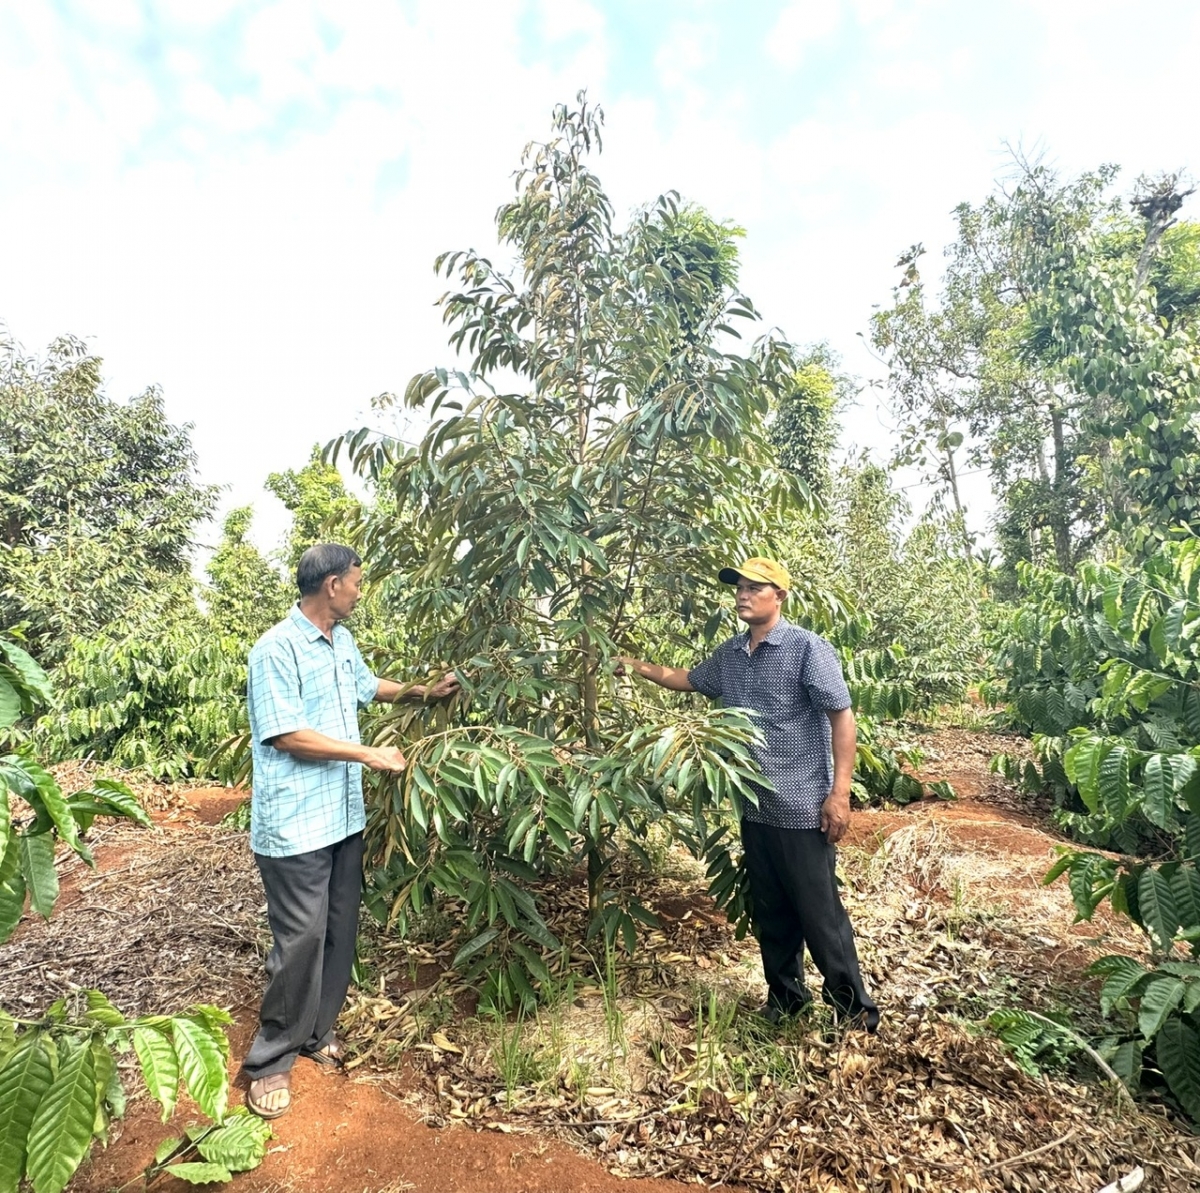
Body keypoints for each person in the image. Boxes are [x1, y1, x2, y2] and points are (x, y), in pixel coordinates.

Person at [242, 543, 460, 1118]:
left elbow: (369, 686)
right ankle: (270, 1060)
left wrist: (420, 691)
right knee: (301, 938)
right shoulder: (276, 648)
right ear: (333, 584)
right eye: (357, 583)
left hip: (342, 816)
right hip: (295, 825)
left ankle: (317, 1032)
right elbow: (286, 734)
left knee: (339, 928)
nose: (361, 592)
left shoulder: (341, 642)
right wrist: (367, 754)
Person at [618, 556, 879, 1031]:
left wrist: (839, 794)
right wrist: (636, 666)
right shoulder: (731, 654)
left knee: (820, 916)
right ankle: (786, 1000)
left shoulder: (806, 649)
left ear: (779, 596)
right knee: (772, 912)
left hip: (802, 806)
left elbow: (842, 716)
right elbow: (689, 680)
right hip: (754, 806)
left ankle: (854, 1010)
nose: (742, 594)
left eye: (755, 587)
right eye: (739, 586)